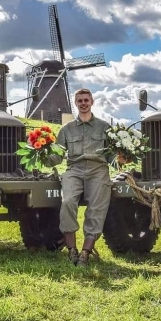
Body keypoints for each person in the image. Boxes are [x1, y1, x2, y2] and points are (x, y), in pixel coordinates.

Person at [47, 88, 126, 267]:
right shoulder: (66, 129)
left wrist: (120, 160)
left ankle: (86, 252)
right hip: (74, 169)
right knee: (67, 202)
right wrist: (42, 153)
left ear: (92, 102)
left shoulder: (104, 127)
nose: (83, 103)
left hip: (98, 170)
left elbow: (111, 155)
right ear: (75, 103)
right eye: (80, 101)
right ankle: (71, 250)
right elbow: (57, 156)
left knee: (96, 209)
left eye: (86, 100)